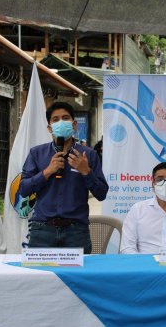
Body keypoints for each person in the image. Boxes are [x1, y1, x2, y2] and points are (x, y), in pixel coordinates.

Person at [19, 102, 108, 253]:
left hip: (76, 232)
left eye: (65, 118)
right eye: (55, 120)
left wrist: (86, 171)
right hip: (42, 230)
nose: (60, 122)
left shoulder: (88, 155)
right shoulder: (37, 153)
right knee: (39, 276)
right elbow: (23, 189)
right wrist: (47, 172)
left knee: (76, 276)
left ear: (74, 125)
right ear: (49, 127)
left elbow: (101, 194)